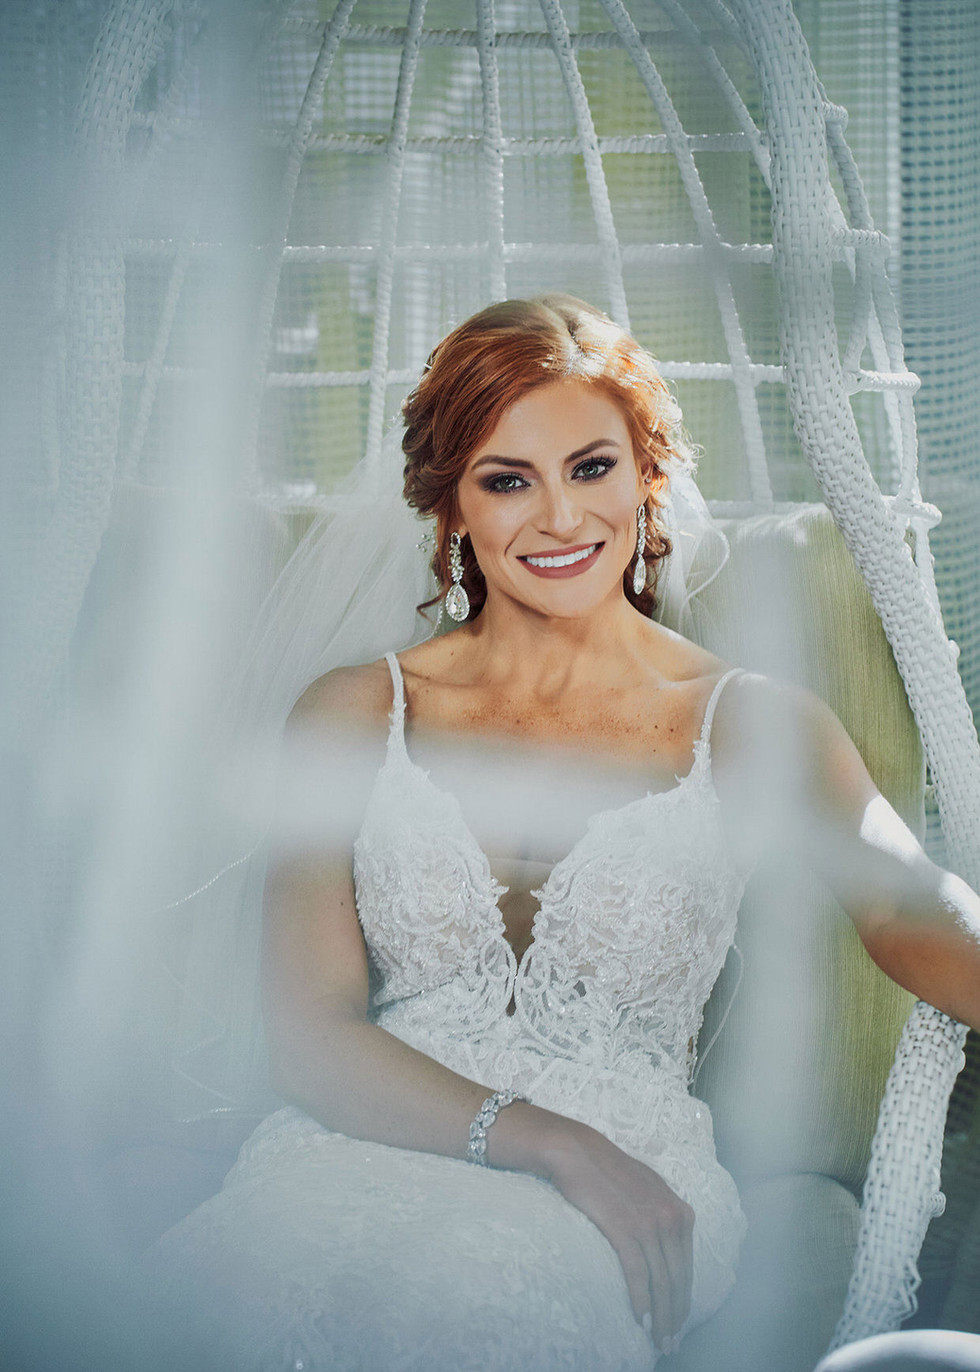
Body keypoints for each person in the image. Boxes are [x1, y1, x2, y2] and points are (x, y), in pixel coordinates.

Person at [145, 296, 980, 1372]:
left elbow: (908, 905)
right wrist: (545, 1137)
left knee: (468, 1307)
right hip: (355, 1144)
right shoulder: (350, 712)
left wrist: (589, 1155)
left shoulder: (750, 720)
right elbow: (309, 1035)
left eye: (591, 468)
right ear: (447, 503)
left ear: (647, 475)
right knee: (230, 1300)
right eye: (507, 479)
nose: (557, 519)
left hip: (627, 1177)